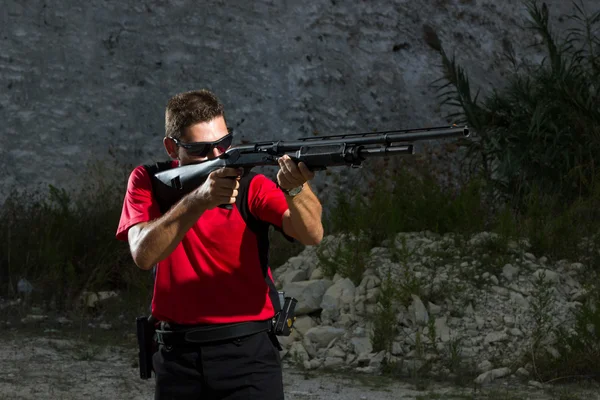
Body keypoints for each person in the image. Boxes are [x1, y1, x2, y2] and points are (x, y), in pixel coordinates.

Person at [116, 89, 324, 399]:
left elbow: (311, 234)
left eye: (223, 144)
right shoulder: (148, 180)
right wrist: (198, 201)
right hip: (177, 356)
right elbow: (143, 255)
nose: (218, 157)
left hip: (248, 354)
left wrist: (296, 190)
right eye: (202, 150)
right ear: (172, 147)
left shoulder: (251, 186)